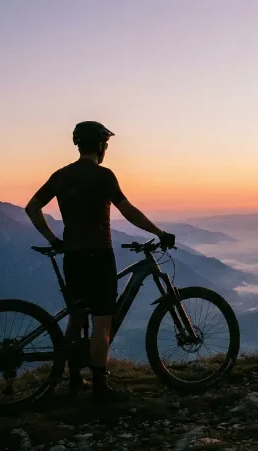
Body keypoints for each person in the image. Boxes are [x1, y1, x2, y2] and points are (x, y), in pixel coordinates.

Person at [24, 120, 175, 404]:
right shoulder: (104, 176)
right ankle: (99, 387)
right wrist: (159, 232)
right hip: (99, 256)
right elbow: (128, 211)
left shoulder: (61, 175)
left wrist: (54, 240)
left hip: (73, 257)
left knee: (76, 316)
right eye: (106, 144)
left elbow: (32, 207)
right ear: (101, 146)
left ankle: (71, 378)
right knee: (102, 323)